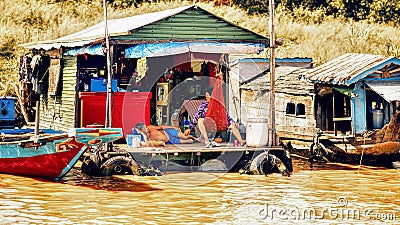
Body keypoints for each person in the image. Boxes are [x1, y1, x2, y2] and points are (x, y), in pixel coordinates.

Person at [133, 122, 197, 147]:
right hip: (169, 140)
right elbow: (147, 143)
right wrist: (143, 134)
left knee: (185, 137)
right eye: (144, 128)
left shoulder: (150, 127)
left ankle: (196, 138)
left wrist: (173, 127)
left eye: (146, 127)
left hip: (168, 132)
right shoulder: (145, 138)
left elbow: (162, 127)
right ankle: (191, 139)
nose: (146, 129)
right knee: (188, 141)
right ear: (142, 130)